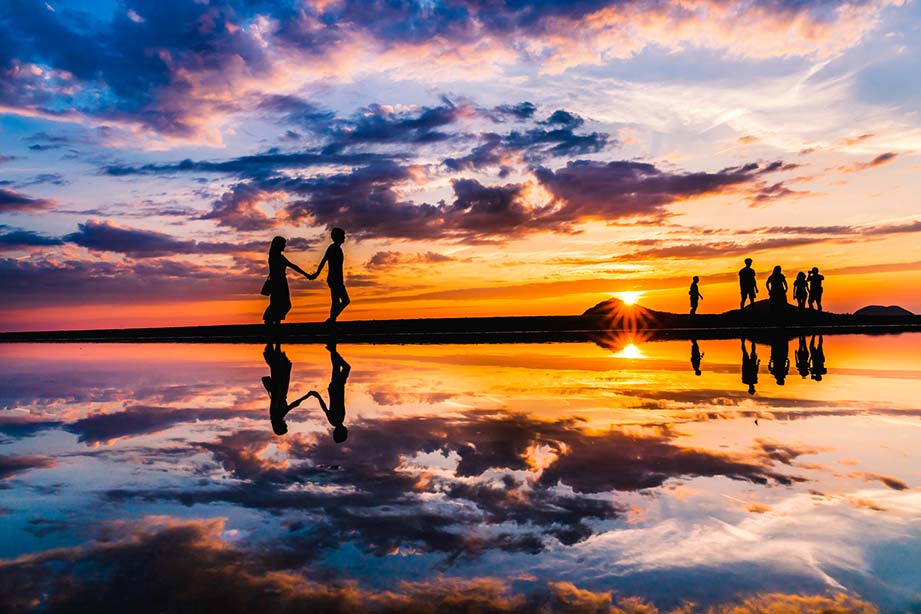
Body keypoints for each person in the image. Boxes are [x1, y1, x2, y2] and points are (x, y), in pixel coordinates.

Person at [262, 342, 311, 436]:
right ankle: (275, 341)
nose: (286, 425)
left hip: (279, 387)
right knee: (276, 365)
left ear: (279, 426)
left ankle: (275, 339)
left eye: (285, 426)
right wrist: (306, 396)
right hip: (280, 388)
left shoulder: (276, 415)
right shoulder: (277, 416)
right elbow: (293, 405)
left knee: (277, 365)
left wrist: (280, 387)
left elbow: (276, 400)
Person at [306, 344, 351, 443]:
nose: (347, 432)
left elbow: (326, 409)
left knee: (344, 367)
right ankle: (333, 349)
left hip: (336, 389)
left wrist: (318, 397)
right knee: (338, 367)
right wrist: (318, 397)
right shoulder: (335, 421)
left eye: (345, 433)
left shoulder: (337, 420)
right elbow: (326, 409)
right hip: (336, 389)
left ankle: (332, 350)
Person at [262, 236, 311, 325]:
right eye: (283, 244)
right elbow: (293, 266)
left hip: (279, 282)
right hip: (278, 282)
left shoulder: (276, 256)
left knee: (278, 303)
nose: (284, 246)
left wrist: (306, 274)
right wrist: (306, 275)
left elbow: (292, 266)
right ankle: (271, 320)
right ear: (278, 245)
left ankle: (274, 321)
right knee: (281, 304)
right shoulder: (277, 257)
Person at [308, 227, 350, 323]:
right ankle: (331, 320)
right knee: (344, 300)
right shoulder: (333, 248)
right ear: (338, 237)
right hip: (334, 279)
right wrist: (317, 273)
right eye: (342, 236)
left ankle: (332, 321)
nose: (344, 238)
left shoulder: (337, 248)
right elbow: (324, 260)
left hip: (337, 279)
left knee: (336, 302)